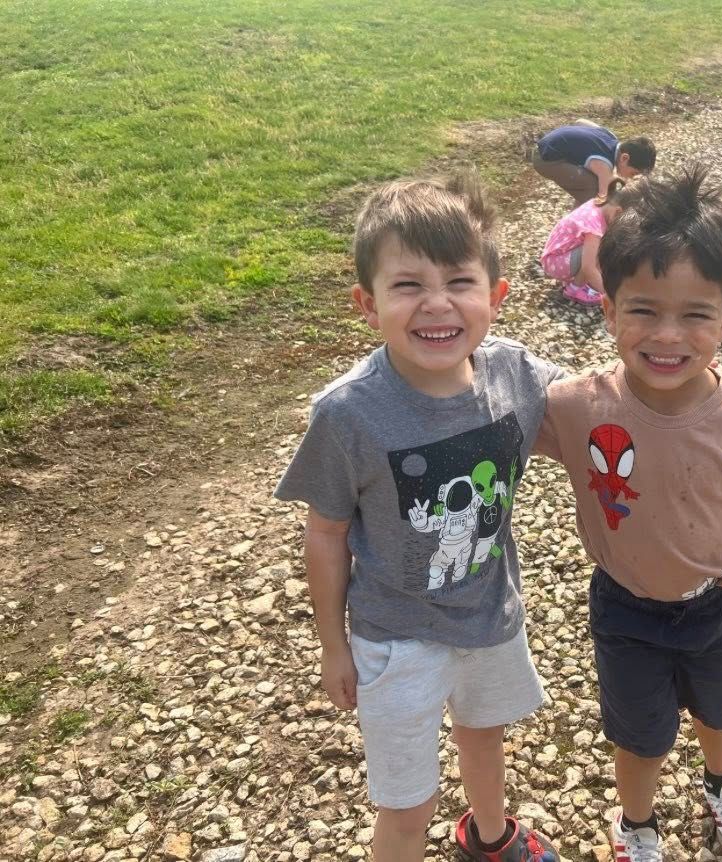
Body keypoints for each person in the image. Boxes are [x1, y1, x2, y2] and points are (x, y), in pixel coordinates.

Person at [534, 167, 722, 862]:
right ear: (608, 310)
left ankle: (721, 779)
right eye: (643, 309)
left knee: (721, 711)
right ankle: (636, 825)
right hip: (624, 608)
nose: (667, 336)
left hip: (718, 604)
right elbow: (488, 413)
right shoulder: (577, 405)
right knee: (639, 735)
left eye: (695, 315)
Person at [274, 174, 561, 862]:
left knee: (485, 734)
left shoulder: (514, 375)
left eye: (460, 281)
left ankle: (491, 838)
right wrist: (332, 645)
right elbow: (326, 532)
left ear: (496, 296)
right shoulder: (348, 413)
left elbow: (598, 408)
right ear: (366, 305)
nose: (437, 304)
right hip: (395, 639)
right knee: (407, 804)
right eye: (408, 286)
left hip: (490, 615)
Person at [540, 177, 646, 306]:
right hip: (556, 262)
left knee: (601, 248)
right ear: (618, 212)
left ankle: (581, 283)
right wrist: (612, 297)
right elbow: (589, 268)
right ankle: (575, 289)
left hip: (559, 255)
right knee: (602, 249)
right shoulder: (594, 226)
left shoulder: (598, 204)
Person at [532, 121, 656, 206]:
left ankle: (576, 217)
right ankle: (581, 227)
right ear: (624, 158)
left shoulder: (610, 137)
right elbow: (601, 197)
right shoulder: (604, 165)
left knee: (596, 184)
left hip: (548, 141)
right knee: (591, 187)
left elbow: (581, 122)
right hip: (544, 160)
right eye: (633, 173)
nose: (631, 177)